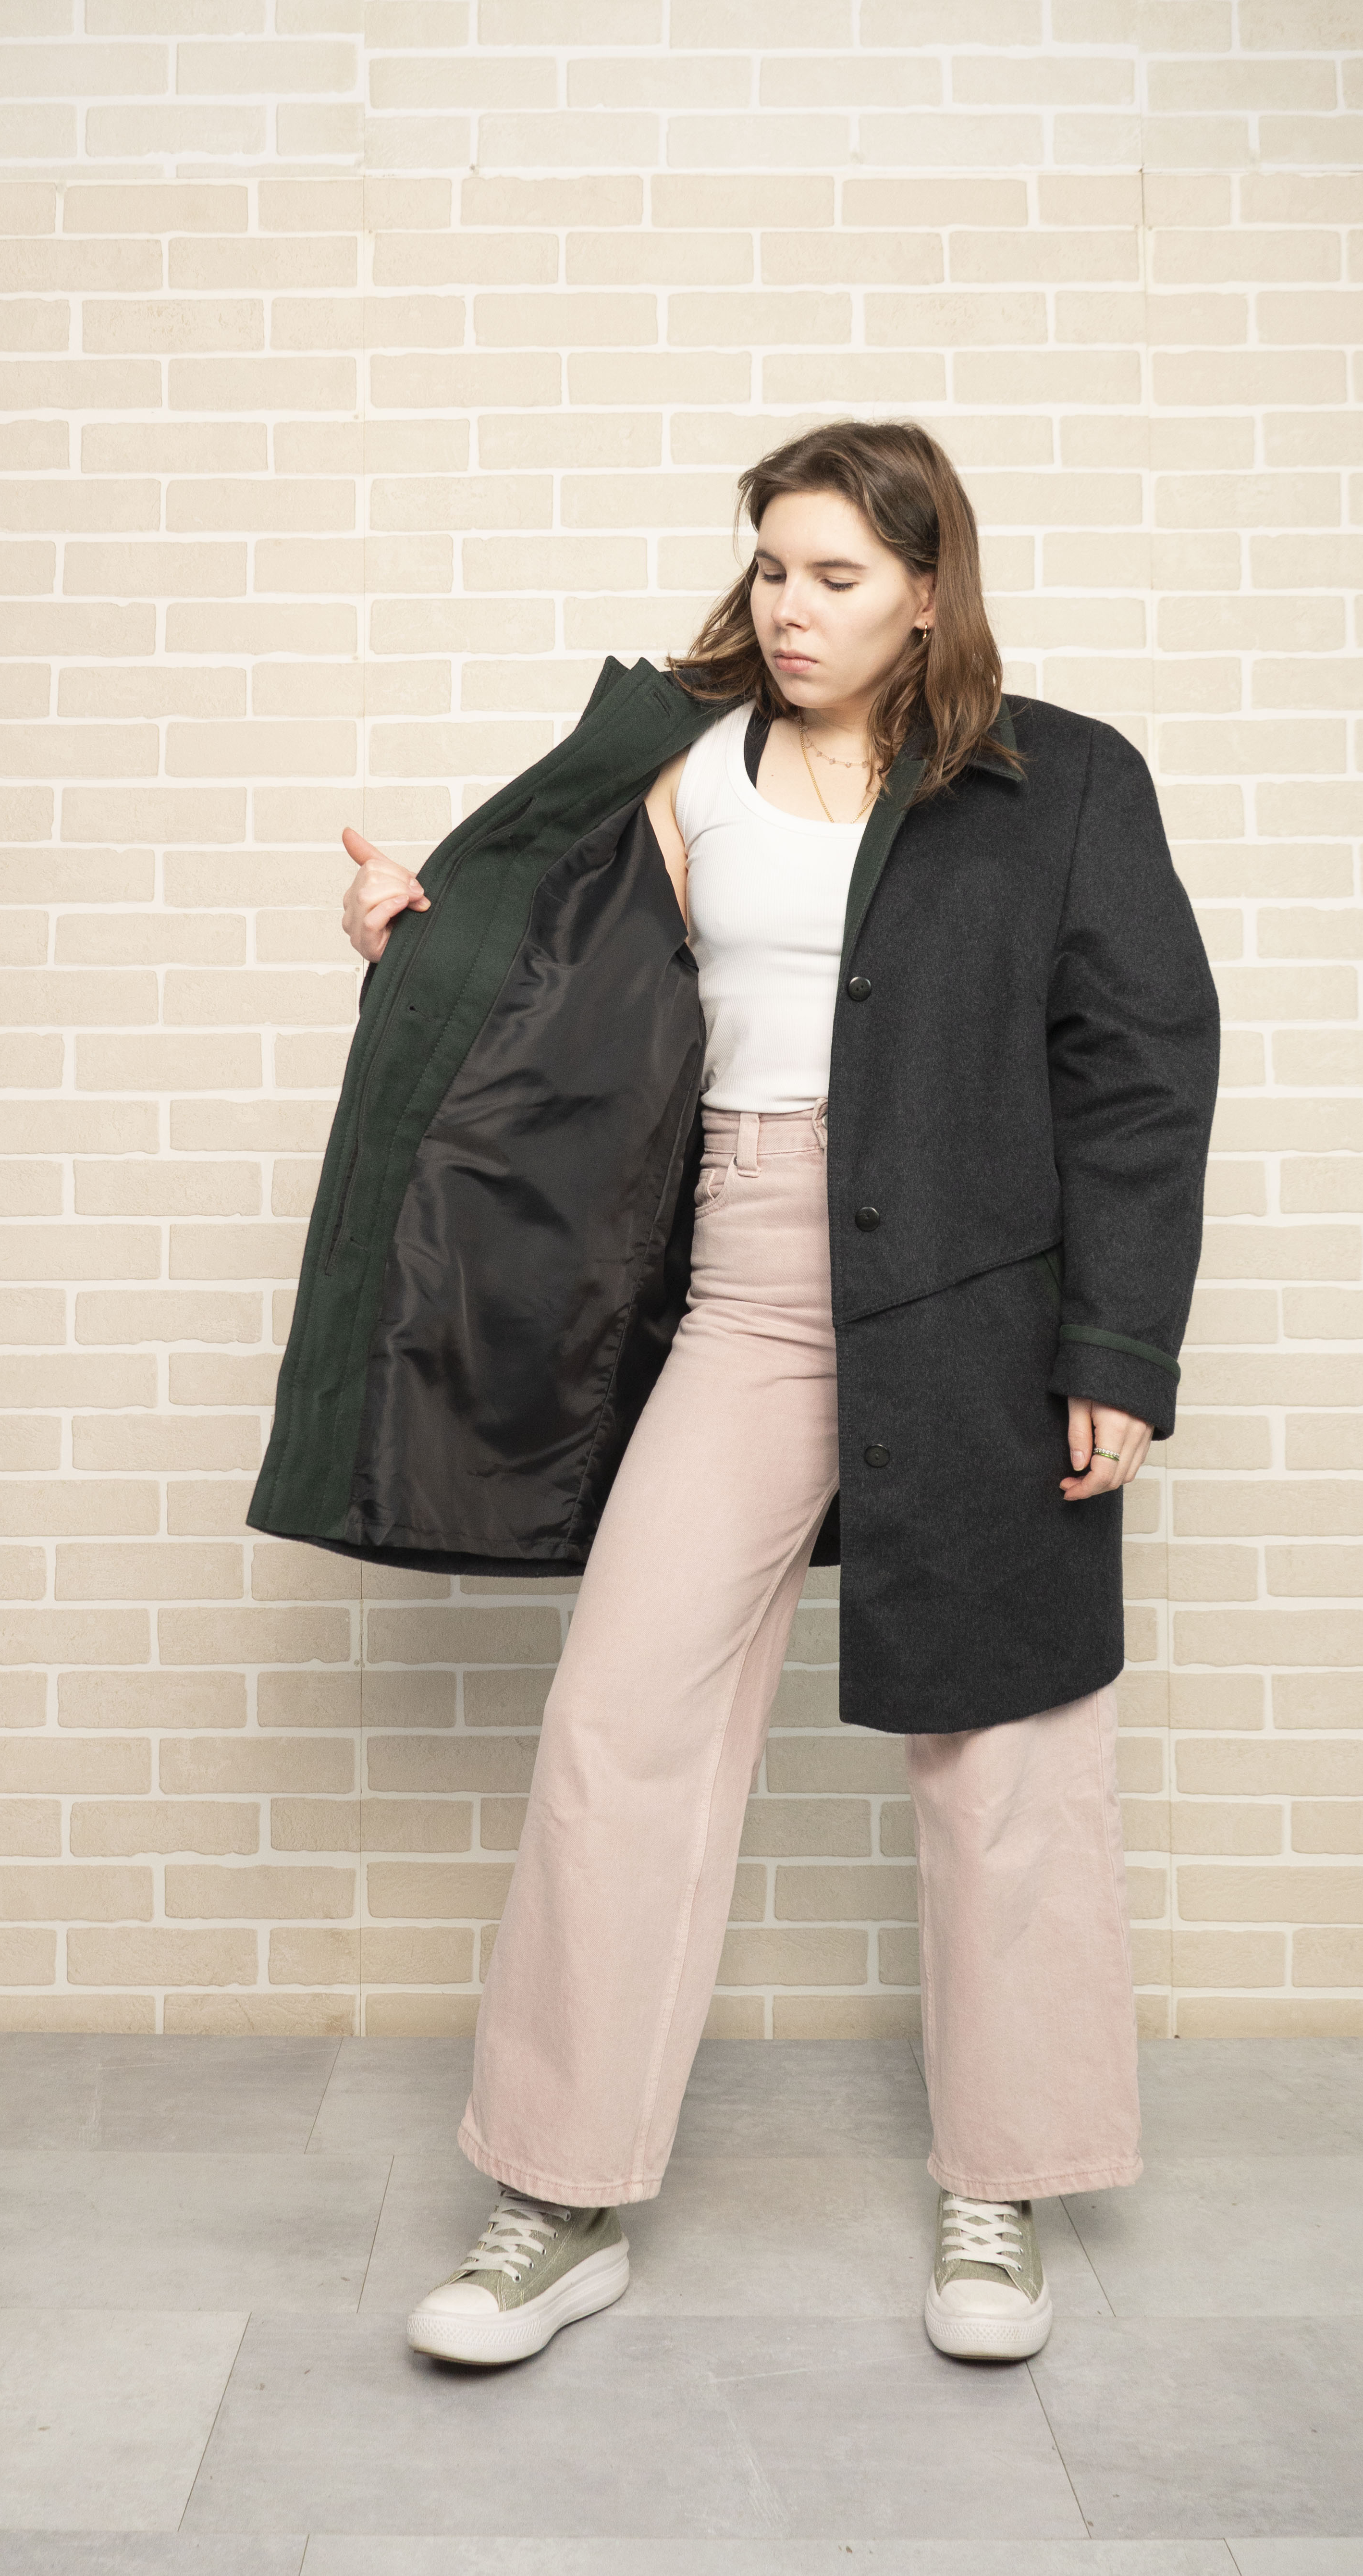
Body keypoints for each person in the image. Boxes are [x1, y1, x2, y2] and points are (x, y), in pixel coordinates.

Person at [297, 419, 1220, 2368]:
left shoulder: (1060, 779)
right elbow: (540, 978)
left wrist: (1119, 1350)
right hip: (749, 1283)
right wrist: (410, 941)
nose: (792, 609)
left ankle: (1004, 2185)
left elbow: (1143, 1070)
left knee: (1006, 1751)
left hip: (984, 1301)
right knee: (618, 1721)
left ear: (927, 593)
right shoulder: (684, 762)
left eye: (838, 577)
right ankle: (560, 2191)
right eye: (773, 568)